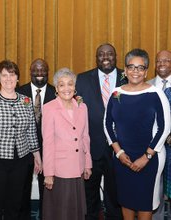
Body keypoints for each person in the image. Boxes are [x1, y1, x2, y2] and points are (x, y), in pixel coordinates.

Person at [104, 48, 170, 220]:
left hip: (149, 159)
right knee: (126, 200)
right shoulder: (116, 93)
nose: (136, 71)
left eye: (140, 68)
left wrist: (146, 157)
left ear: (146, 71)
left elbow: (165, 128)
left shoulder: (156, 94)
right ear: (125, 70)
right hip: (122, 158)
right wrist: (119, 153)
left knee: (144, 201)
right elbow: (107, 124)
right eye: (131, 67)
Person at [0, 60, 42, 220]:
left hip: (21, 162)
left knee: (15, 206)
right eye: (4, 75)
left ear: (18, 78)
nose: (9, 79)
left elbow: (31, 132)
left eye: (12, 74)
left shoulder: (26, 101)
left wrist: (37, 157)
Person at [76, 43, 127, 220]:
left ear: (116, 56)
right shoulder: (82, 79)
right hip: (91, 147)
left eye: (110, 54)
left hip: (120, 148)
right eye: (101, 54)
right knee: (90, 195)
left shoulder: (127, 77)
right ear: (96, 58)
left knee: (116, 195)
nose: (105, 57)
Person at [42, 67, 92, 220]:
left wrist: (87, 164)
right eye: (61, 84)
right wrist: (48, 173)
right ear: (56, 88)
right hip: (59, 171)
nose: (66, 88)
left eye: (70, 84)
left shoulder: (82, 107)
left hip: (78, 166)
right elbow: (48, 142)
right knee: (61, 211)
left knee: (75, 211)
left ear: (75, 87)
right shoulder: (49, 108)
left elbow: (85, 137)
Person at [17, 58, 56, 219]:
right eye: (36, 70)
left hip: (50, 150)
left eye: (43, 70)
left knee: (47, 189)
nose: (39, 73)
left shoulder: (57, 93)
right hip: (24, 151)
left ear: (48, 72)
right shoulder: (19, 91)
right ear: (30, 72)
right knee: (22, 189)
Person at [148, 50, 171, 220]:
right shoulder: (146, 86)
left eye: (166, 60)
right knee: (155, 187)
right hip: (152, 147)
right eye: (158, 61)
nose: (162, 64)